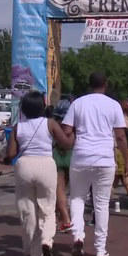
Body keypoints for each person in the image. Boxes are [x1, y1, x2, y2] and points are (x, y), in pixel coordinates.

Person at [61, 72, 128, 256]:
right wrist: (125, 159)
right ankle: (100, 249)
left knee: (77, 198)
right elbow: (121, 136)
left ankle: (77, 236)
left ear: (89, 84)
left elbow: (66, 130)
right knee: (101, 204)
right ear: (105, 84)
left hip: (81, 156)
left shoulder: (78, 103)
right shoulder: (113, 105)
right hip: (104, 159)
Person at [5, 91, 74, 256]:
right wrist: (73, 134)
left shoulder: (17, 127)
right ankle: (46, 241)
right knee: (48, 208)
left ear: (23, 108)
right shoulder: (50, 123)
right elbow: (66, 144)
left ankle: (33, 253)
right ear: (42, 107)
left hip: (25, 165)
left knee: (27, 210)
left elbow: (11, 154)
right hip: (46, 164)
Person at [52, 98, 73, 233]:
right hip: (72, 156)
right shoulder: (73, 126)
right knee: (65, 190)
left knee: (59, 190)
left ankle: (64, 219)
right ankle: (61, 217)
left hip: (57, 156)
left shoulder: (54, 125)